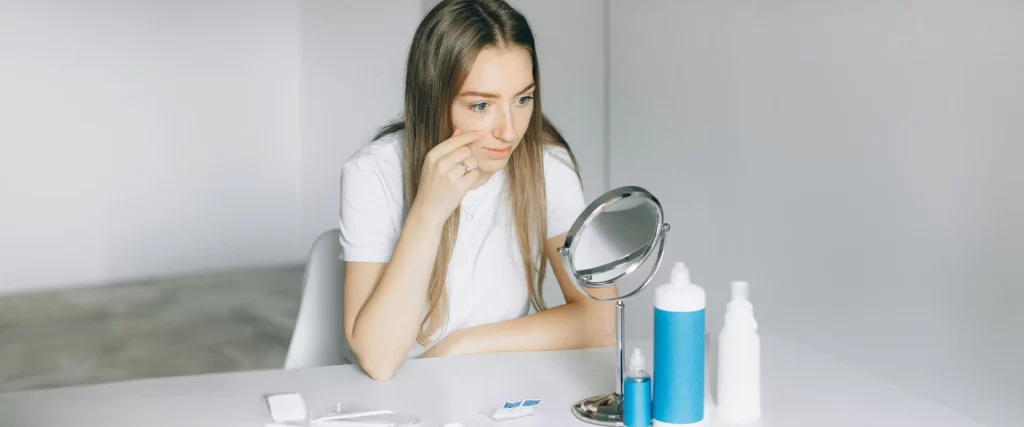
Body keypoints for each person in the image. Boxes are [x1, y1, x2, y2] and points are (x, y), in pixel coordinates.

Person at [338, 0, 615, 381]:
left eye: (523, 99)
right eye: (482, 105)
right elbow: (378, 359)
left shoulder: (547, 165)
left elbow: (601, 319)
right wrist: (429, 211)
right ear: (434, 101)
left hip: (499, 386)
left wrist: (462, 346)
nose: (509, 130)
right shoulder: (373, 172)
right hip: (395, 398)